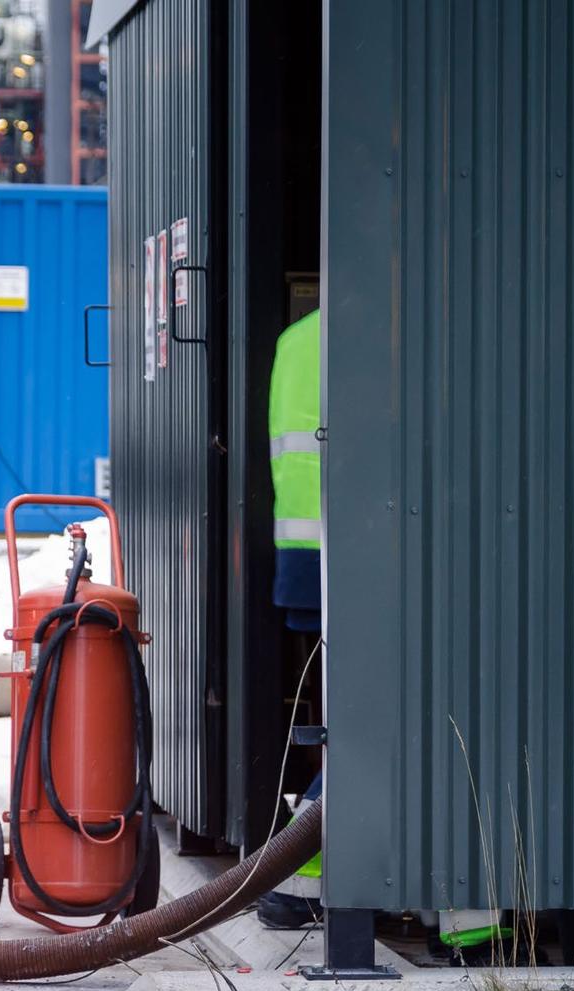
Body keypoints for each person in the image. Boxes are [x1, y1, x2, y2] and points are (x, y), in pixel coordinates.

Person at [258, 308, 324, 930]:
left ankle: (300, 879)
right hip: (365, 563)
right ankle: (302, 880)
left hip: (305, 563)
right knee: (367, 726)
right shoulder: (388, 338)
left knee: (333, 719)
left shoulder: (296, 336)